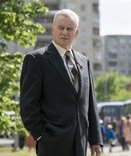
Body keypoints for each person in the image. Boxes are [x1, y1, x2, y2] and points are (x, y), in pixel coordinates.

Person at [20, 9, 103, 156]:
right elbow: (28, 105)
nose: (65, 32)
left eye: (69, 29)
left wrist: (95, 140)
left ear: (76, 33)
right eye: (61, 28)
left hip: (80, 144)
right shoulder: (36, 60)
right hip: (51, 145)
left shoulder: (85, 61)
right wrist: (40, 135)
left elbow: (91, 103)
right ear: (53, 30)